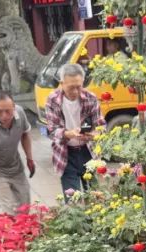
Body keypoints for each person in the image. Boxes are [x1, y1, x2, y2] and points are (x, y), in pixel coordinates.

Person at [45, 64, 105, 195]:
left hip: (88, 152)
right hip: (66, 153)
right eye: (71, 87)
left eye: (79, 87)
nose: (76, 92)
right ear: (62, 83)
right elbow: (51, 130)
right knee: (72, 199)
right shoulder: (53, 100)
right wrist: (69, 134)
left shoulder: (91, 98)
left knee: (95, 198)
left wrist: (93, 134)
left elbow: (100, 125)